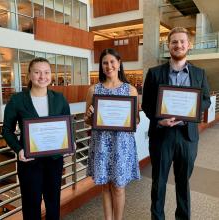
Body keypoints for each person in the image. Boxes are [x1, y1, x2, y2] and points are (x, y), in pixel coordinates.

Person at [142, 27, 211, 220]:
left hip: (187, 136)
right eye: (174, 42)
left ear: (189, 45)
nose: (178, 45)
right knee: (159, 182)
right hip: (161, 136)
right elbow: (147, 104)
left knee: (183, 183)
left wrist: (191, 112)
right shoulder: (154, 73)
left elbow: (206, 100)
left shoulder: (199, 73)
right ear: (168, 46)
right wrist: (159, 120)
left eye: (182, 42)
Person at [2, 57, 71, 220]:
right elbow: (7, 130)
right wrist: (18, 150)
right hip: (29, 162)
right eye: (37, 72)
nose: (42, 76)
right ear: (29, 75)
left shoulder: (59, 99)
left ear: (51, 75)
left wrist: (70, 142)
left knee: (53, 203)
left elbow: (69, 125)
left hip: (54, 161)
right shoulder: (17, 100)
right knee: (31, 205)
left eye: (46, 72)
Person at [85, 48, 140, 220]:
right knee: (105, 186)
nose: (109, 66)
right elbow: (88, 121)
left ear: (119, 63)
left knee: (118, 186)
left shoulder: (130, 90)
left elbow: (136, 121)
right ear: (101, 66)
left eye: (112, 62)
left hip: (121, 144)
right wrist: (89, 116)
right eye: (105, 63)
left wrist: (129, 119)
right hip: (101, 143)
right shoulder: (93, 90)